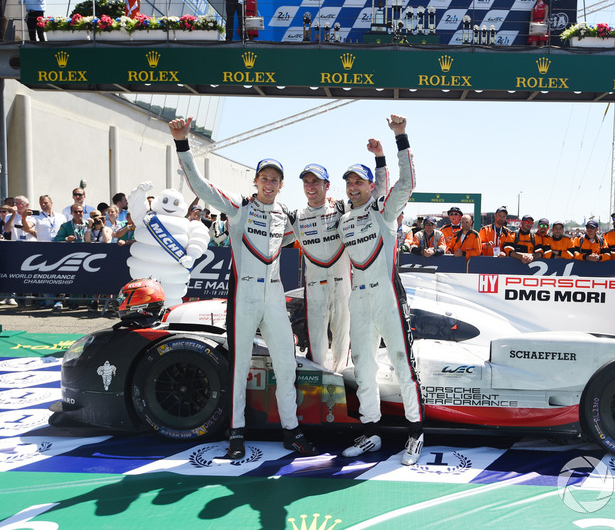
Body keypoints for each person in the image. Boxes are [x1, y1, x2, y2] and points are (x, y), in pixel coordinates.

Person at [168, 116, 318, 459]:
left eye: (275, 180)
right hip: (244, 294)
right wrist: (182, 144)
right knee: (240, 366)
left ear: (281, 185)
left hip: (275, 295)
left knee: (286, 364)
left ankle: (292, 431)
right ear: (256, 181)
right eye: (265, 178)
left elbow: (306, 234)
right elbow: (200, 186)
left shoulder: (285, 213)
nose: (269, 183)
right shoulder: (239, 206)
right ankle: (236, 434)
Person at [336, 114, 425, 466]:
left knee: (404, 365)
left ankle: (415, 434)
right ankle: (370, 431)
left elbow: (406, 183)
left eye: (360, 182)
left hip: (389, 294)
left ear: (372, 186)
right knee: (364, 367)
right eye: (350, 183)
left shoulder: (385, 213)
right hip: (359, 297)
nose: (354, 186)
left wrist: (399, 139)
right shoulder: (343, 219)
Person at [288, 151, 388, 375]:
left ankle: (340, 382)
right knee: (317, 342)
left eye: (316, 181)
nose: (311, 186)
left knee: (343, 339)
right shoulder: (296, 216)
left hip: (343, 284)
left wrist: (380, 159)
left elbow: (375, 198)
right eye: (306, 182)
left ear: (327, 185)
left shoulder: (342, 207)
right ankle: (316, 382)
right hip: (315, 287)